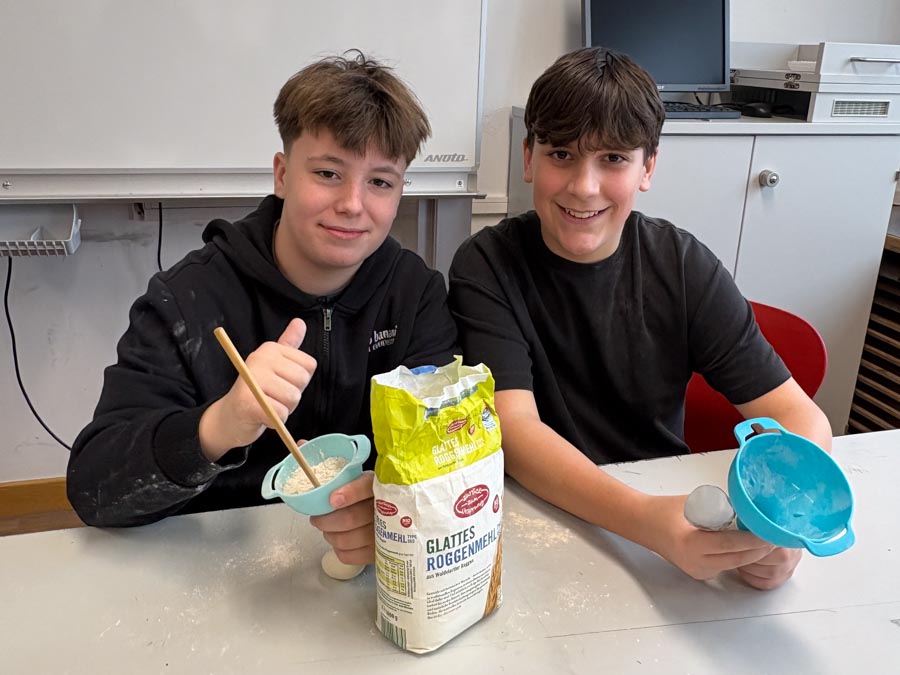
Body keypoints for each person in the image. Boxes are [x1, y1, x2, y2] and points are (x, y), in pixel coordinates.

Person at [448, 47, 831, 590]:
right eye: (561, 154)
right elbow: (514, 428)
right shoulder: (486, 264)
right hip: (540, 517)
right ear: (529, 157)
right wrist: (646, 521)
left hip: (666, 514)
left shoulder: (683, 265)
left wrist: (785, 524)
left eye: (613, 158)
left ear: (647, 167)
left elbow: (796, 413)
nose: (584, 186)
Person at [67, 52, 458, 566]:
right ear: (282, 174)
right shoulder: (188, 299)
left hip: (366, 565)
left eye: (380, 182)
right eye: (328, 173)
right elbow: (94, 490)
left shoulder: (414, 293)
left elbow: (445, 454)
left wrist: (393, 509)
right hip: (213, 567)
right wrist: (220, 425)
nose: (352, 204)